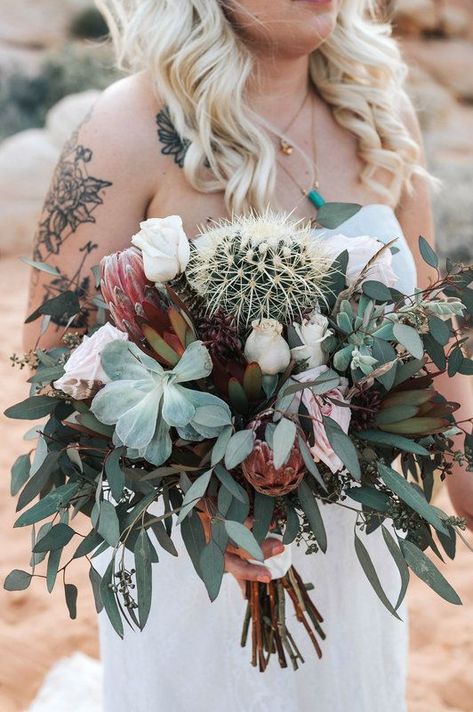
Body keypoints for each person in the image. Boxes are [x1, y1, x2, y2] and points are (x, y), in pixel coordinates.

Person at [24, 1, 473, 710]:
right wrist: (202, 498)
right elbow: (54, 363)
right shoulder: (126, 129)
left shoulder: (377, 110)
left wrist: (463, 465)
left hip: (351, 529)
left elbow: (429, 320)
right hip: (190, 549)